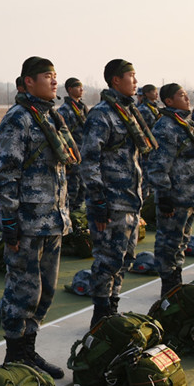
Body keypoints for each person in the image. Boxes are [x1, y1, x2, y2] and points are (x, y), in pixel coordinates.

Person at [0, 57, 77, 379]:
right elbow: (4, 173)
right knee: (22, 293)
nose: (54, 81)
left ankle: (28, 349)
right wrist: (10, 221)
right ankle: (15, 355)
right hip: (27, 221)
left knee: (45, 292)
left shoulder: (50, 116)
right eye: (47, 76)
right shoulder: (19, 118)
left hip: (51, 219)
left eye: (55, 75)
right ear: (29, 81)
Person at [81, 59, 157, 327]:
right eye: (131, 76)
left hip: (130, 200)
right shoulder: (102, 114)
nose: (135, 81)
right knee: (107, 260)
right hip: (111, 202)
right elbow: (89, 161)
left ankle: (112, 306)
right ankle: (100, 315)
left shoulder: (129, 112)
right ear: (116, 80)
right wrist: (98, 201)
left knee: (125, 258)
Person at [145, 84, 194, 295]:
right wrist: (164, 196)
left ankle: (176, 282)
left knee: (181, 242)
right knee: (168, 243)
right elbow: (158, 166)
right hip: (174, 198)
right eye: (181, 95)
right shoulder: (165, 127)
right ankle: (169, 287)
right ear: (169, 101)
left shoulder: (186, 123)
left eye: (186, 95)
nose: (187, 98)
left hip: (189, 196)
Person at [58, 78, 89, 211]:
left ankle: (77, 211)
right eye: (77, 87)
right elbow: (62, 135)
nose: (81, 90)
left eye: (82, 87)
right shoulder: (64, 110)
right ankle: (69, 211)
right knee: (72, 186)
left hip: (84, 152)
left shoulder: (83, 108)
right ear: (70, 89)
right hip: (72, 154)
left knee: (83, 186)